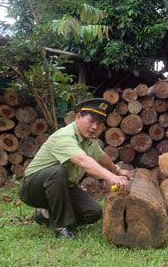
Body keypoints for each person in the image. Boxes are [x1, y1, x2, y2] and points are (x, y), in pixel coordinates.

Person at [19, 98, 131, 239]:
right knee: (57, 171)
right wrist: (112, 177)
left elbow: (101, 156)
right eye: (91, 121)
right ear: (78, 117)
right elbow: (82, 160)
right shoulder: (65, 136)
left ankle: (45, 215)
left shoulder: (89, 140)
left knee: (93, 212)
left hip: (62, 188)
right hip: (33, 189)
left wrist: (117, 170)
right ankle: (62, 228)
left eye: (99, 124)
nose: (95, 127)